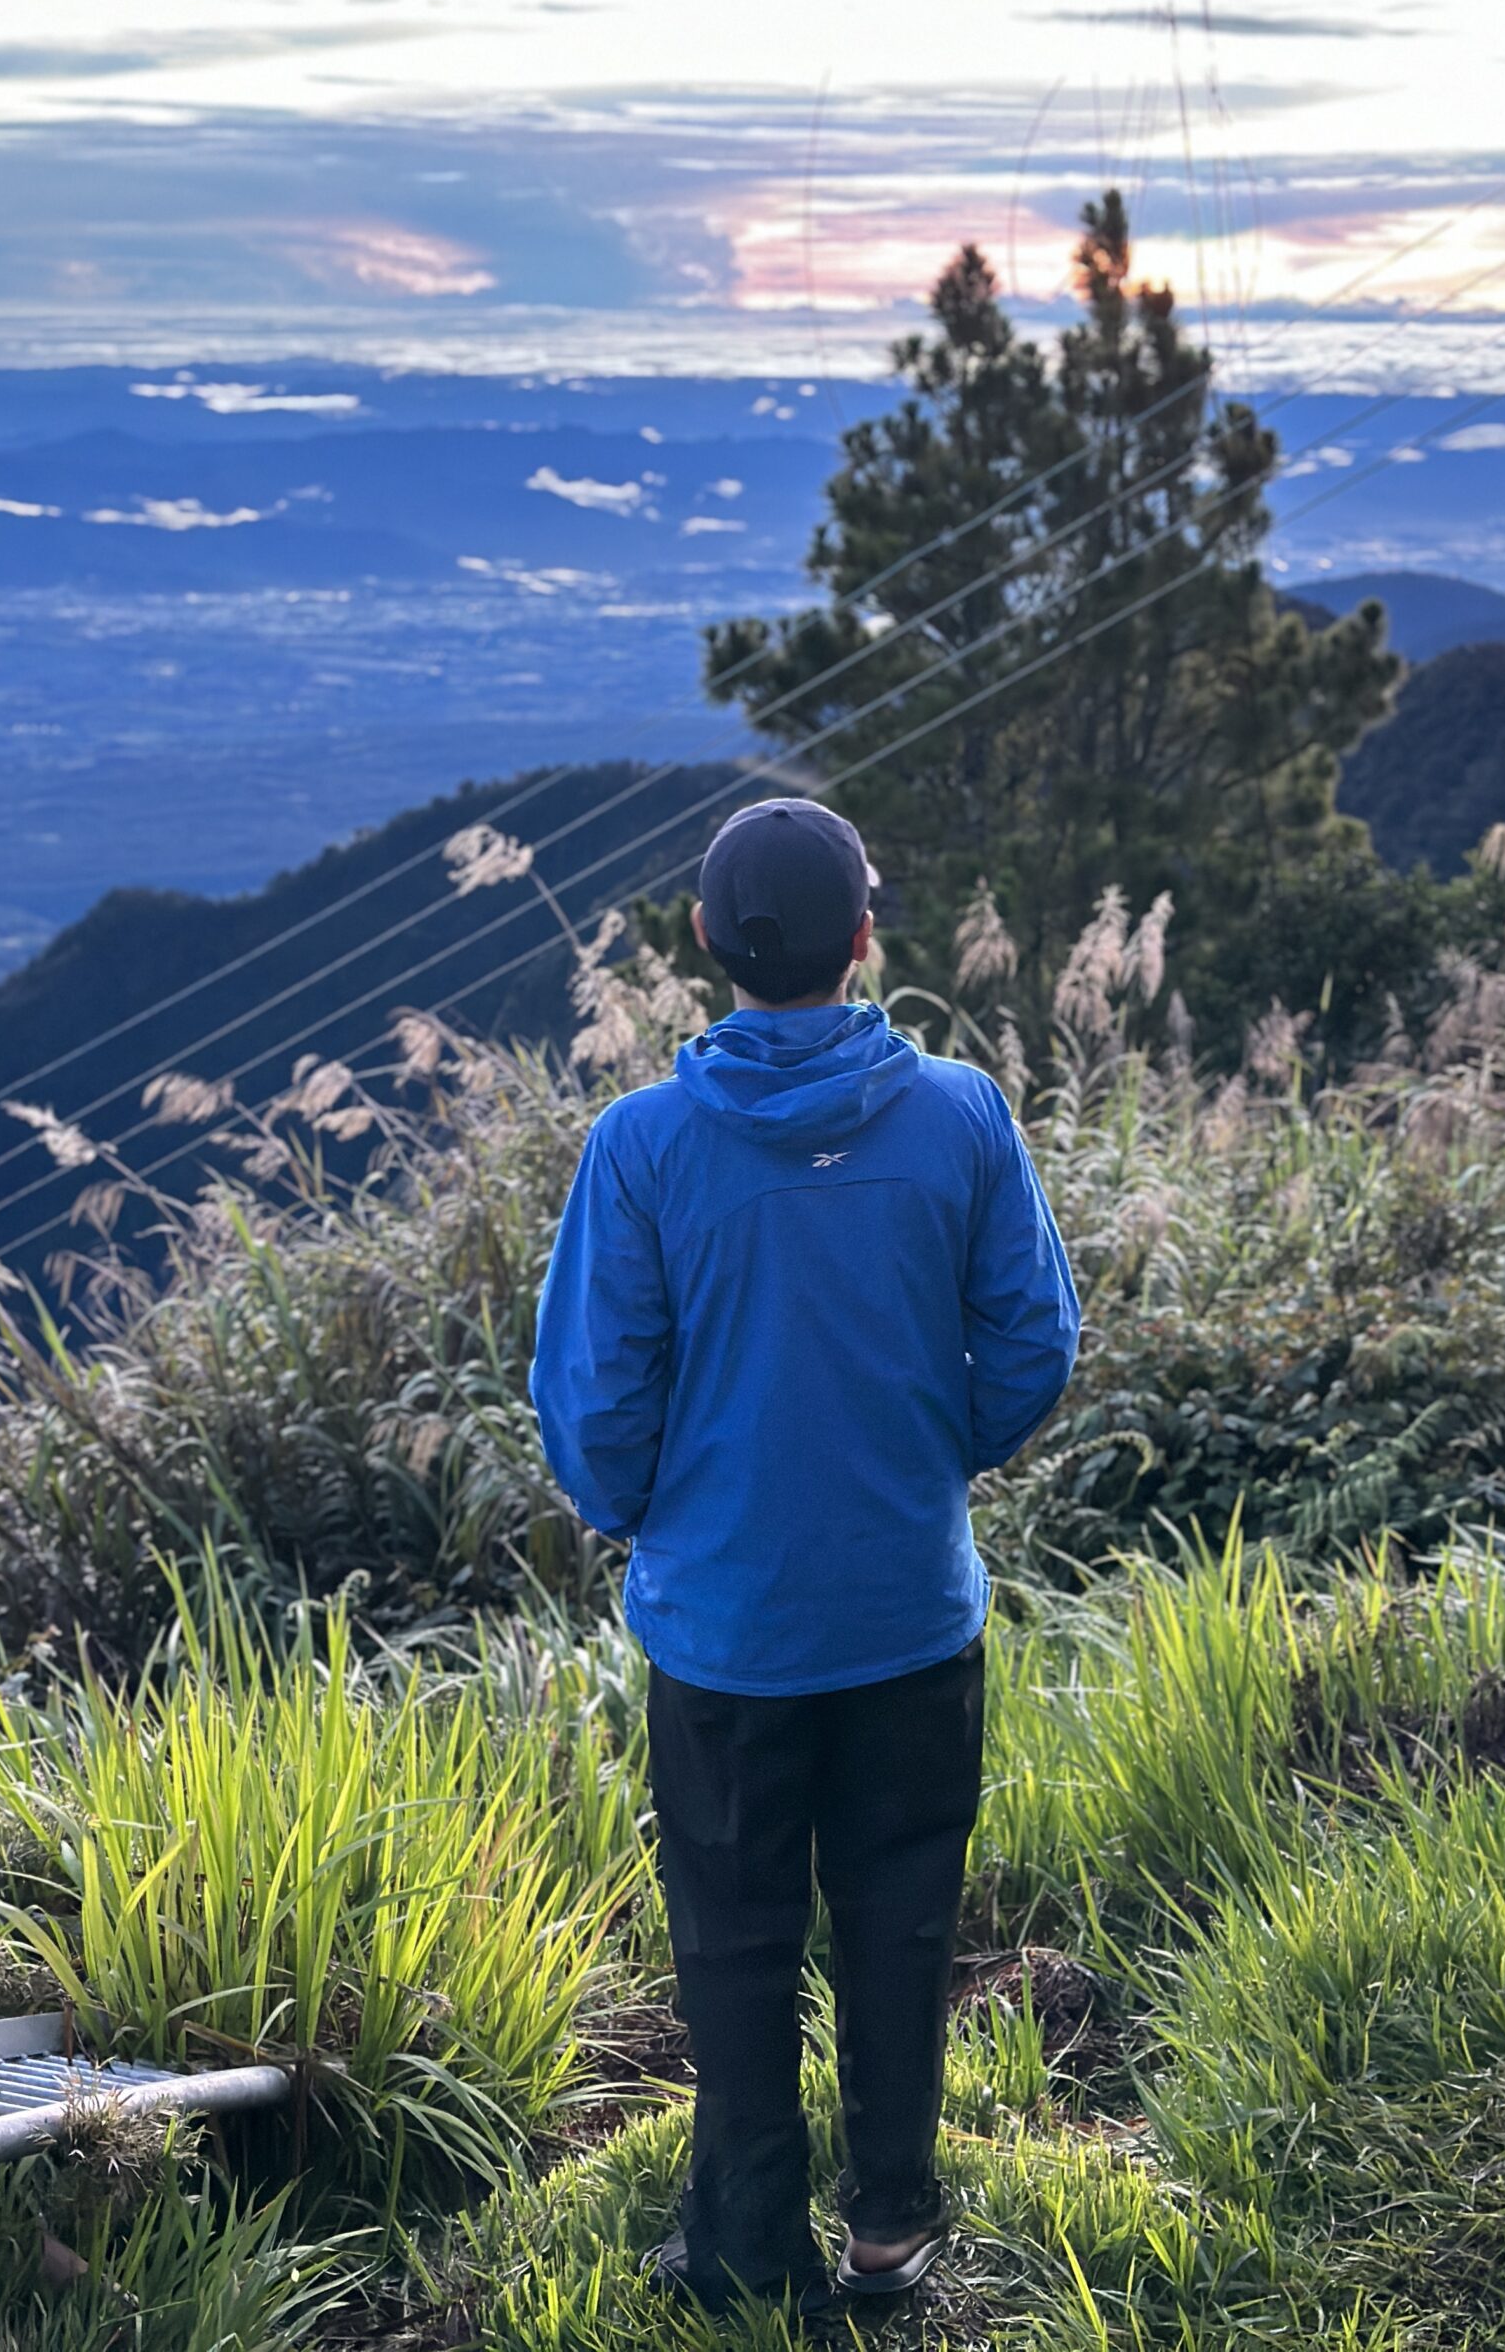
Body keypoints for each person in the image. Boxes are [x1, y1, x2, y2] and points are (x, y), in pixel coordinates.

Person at [530, 796, 1079, 2315]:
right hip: (911, 1609)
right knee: (903, 1921)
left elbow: (590, 1404)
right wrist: (926, 1456)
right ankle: (891, 2234)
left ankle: (750, 2252)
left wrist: (661, 1515)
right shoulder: (964, 1114)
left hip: (723, 1633)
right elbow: (1035, 1342)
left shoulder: (638, 1149)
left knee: (734, 1939)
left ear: (706, 941)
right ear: (864, 937)